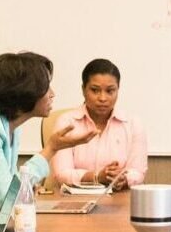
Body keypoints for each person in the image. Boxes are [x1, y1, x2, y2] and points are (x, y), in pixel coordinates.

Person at [0, 52, 93, 212]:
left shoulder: (10, 124)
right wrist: (51, 148)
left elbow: (11, 191)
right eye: (46, 87)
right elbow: (7, 199)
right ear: (25, 90)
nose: (52, 94)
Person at [48, 59, 148, 191]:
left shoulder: (133, 124)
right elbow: (62, 174)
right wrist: (96, 177)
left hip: (119, 199)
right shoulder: (67, 122)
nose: (102, 98)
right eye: (95, 90)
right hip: (74, 200)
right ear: (83, 90)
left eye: (110, 91)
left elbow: (138, 172)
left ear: (118, 90)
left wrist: (123, 179)